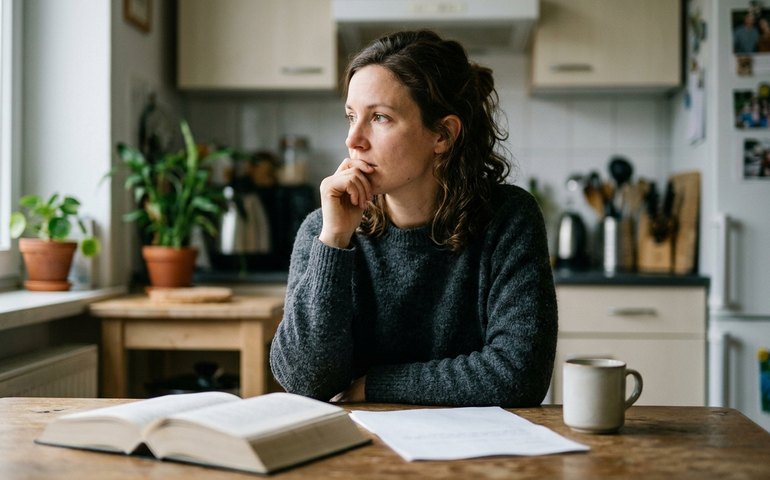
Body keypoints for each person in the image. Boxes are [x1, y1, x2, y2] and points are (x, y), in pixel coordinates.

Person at [269, 30, 557, 407]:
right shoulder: (324, 229)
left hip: (479, 453)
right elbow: (305, 381)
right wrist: (334, 241)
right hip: (359, 453)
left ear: (442, 134)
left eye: (380, 118)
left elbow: (519, 376)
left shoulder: (508, 219)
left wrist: (374, 385)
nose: (353, 139)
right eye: (351, 116)